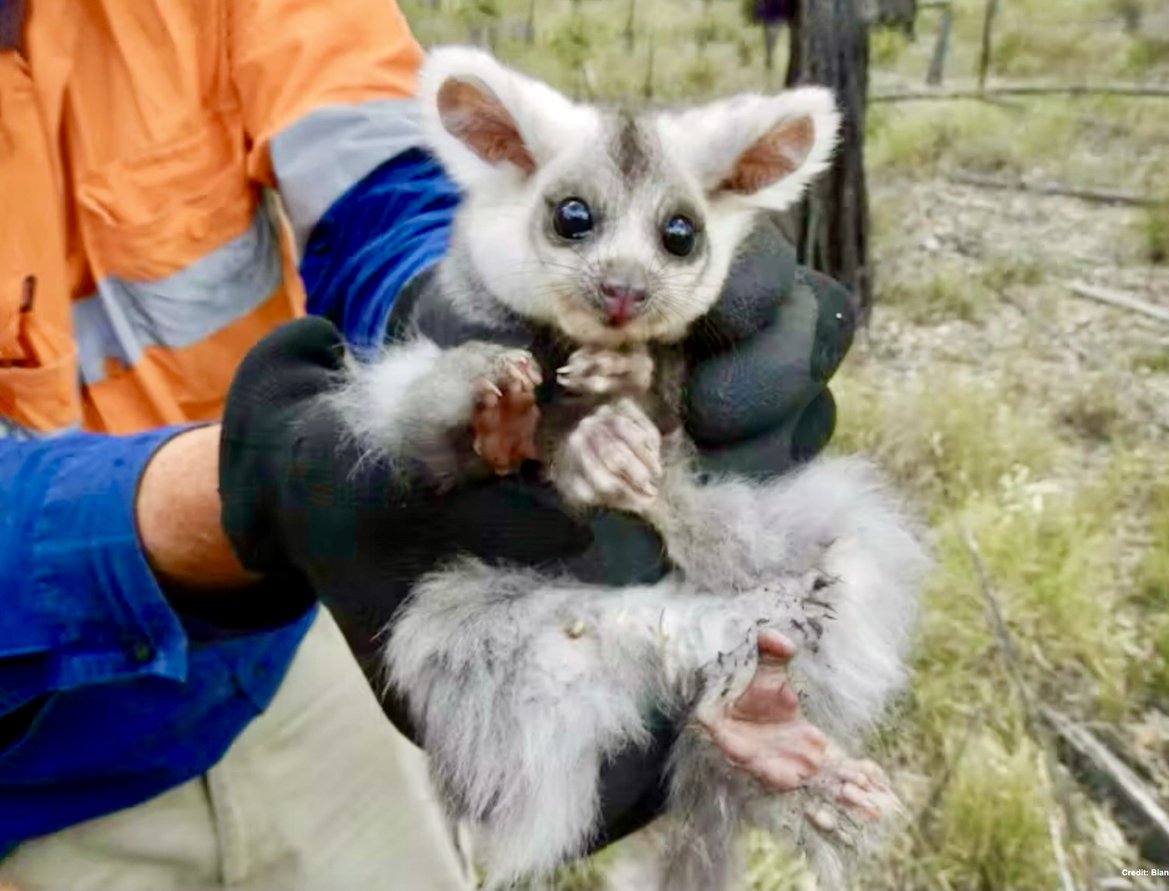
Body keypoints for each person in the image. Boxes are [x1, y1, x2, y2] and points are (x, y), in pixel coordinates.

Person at [0, 0, 856, 886]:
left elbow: (380, 173)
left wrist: (454, 306)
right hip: (35, 759)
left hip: (307, 644)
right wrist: (239, 497)